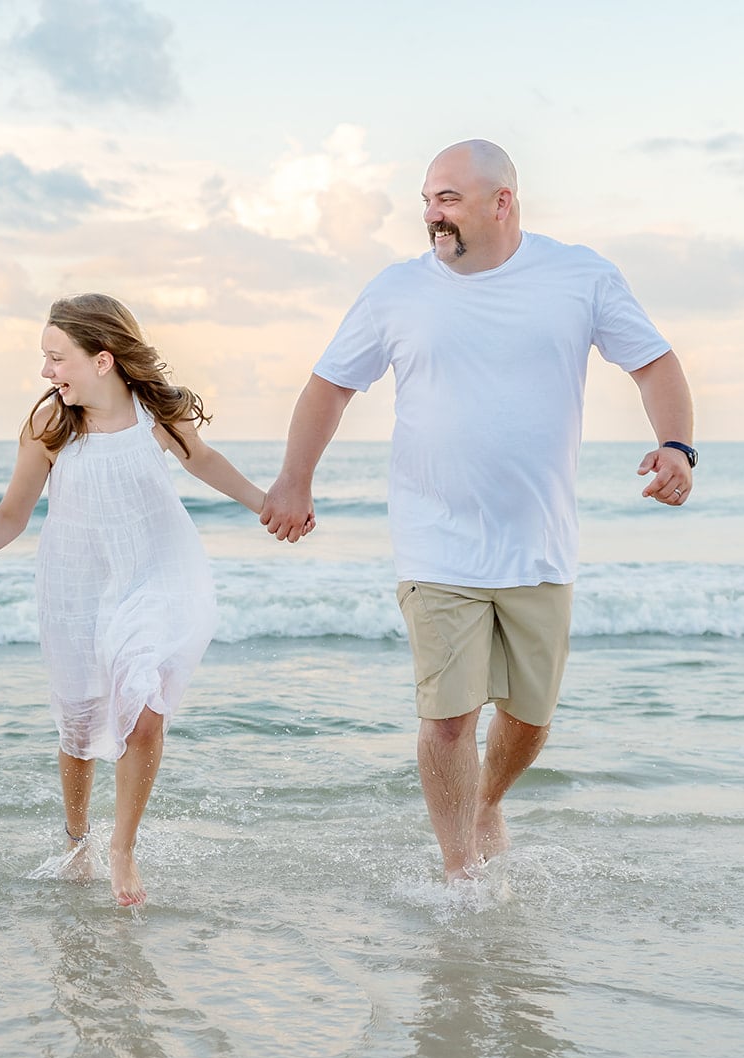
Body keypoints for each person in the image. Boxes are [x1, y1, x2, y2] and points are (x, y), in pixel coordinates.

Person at [261, 140, 696, 881]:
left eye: (449, 199)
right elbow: (328, 387)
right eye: (428, 199)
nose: (432, 214)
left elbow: (654, 363)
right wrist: (294, 480)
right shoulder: (397, 291)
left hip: (540, 542)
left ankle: (489, 799)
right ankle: (460, 870)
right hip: (436, 544)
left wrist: (677, 446)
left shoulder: (579, 276)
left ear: (503, 201)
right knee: (450, 717)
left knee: (529, 719)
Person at [0, 294, 266, 907]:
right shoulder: (50, 426)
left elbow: (204, 461)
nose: (47, 372)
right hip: (77, 583)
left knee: (143, 704)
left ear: (102, 360)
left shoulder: (157, 413)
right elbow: (10, 515)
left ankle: (121, 848)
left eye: (56, 358)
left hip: (159, 572)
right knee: (79, 725)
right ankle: (77, 838)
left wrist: (266, 505)